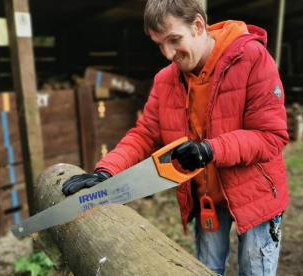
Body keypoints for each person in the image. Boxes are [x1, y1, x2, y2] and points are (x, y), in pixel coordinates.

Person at [62, 0, 289, 275]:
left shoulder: (252, 58)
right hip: (205, 198)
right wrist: (107, 172)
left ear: (198, 25)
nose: (168, 54)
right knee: (205, 270)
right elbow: (145, 134)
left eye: (174, 40)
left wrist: (210, 150)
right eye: (159, 44)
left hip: (256, 196)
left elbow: (270, 136)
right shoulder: (165, 80)